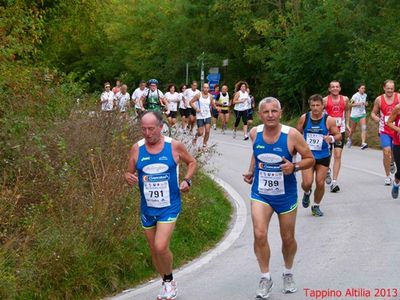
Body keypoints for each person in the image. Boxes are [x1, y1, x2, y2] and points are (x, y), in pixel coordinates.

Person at [243, 97, 315, 299]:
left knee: (288, 238)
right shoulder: (254, 132)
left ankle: (288, 272)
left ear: (280, 113)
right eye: (266, 112)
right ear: (260, 115)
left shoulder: (292, 135)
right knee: (259, 233)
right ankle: (265, 277)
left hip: (286, 194)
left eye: (274, 111)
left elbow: (310, 159)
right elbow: (256, 154)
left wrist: (295, 167)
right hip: (261, 193)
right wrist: (251, 171)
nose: (270, 115)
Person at [124, 111, 196, 300]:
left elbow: (192, 162)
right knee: (154, 250)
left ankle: (169, 281)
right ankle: (166, 282)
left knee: (160, 245)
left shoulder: (174, 146)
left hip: (169, 206)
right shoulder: (137, 148)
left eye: (151, 129)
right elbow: (129, 173)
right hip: (147, 208)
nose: (147, 133)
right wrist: (128, 177)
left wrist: (187, 181)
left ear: (161, 127)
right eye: (144, 129)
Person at [296, 94, 341, 216]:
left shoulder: (328, 119)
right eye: (313, 105)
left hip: (323, 156)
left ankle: (316, 205)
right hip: (307, 156)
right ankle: (307, 193)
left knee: (320, 183)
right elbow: (295, 134)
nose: (315, 108)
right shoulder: (304, 118)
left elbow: (338, 135)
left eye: (318, 105)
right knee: (307, 183)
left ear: (322, 106)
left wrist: (330, 138)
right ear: (310, 106)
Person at [323, 80, 351, 193]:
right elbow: (319, 113)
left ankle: (334, 182)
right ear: (329, 89)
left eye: (337, 87)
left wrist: (348, 123)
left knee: (338, 155)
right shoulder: (325, 100)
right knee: (327, 155)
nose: (335, 88)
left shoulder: (345, 99)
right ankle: (327, 171)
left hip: (341, 130)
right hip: (328, 131)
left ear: (340, 88)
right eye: (332, 87)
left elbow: (348, 110)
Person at [371, 79, 399, 185]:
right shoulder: (379, 99)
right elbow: (373, 113)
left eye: (392, 89)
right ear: (384, 88)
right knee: (386, 151)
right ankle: (387, 176)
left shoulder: (398, 97)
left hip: (396, 130)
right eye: (388, 89)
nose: (390, 91)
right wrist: (376, 119)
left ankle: (392, 162)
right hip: (385, 130)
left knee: (395, 153)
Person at [190, 83, 219, 149]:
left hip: (207, 115)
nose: (206, 89)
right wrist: (196, 108)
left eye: (207, 88)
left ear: (208, 89)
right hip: (200, 116)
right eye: (205, 87)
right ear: (202, 88)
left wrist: (217, 108)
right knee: (200, 132)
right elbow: (190, 102)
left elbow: (213, 105)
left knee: (208, 130)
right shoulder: (198, 95)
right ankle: (196, 137)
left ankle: (204, 143)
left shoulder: (210, 96)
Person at [346, 84, 368, 149]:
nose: (363, 90)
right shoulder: (355, 96)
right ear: (358, 89)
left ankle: (363, 143)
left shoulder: (365, 95)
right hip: (355, 115)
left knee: (364, 127)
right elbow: (350, 104)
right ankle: (349, 138)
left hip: (362, 114)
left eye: (364, 88)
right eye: (362, 88)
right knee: (353, 130)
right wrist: (358, 104)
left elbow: (365, 103)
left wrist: (366, 104)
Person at [386, 104, 400, 198]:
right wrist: (398, 129)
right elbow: (389, 122)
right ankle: (396, 184)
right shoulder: (398, 108)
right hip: (398, 143)